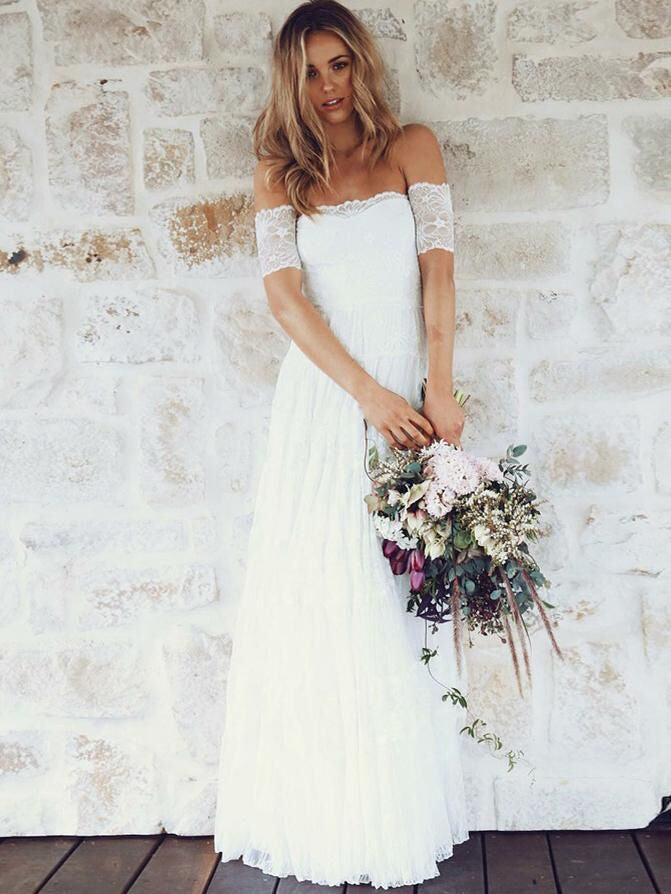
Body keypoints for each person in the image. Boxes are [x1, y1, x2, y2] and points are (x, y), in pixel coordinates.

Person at [214, 0, 469, 887]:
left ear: (360, 64)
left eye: (338, 65)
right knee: (327, 591)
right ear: (290, 81)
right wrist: (367, 395)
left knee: (398, 600)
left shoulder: (414, 150)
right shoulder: (277, 176)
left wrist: (437, 387)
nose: (326, 87)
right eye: (309, 71)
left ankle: (393, 804)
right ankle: (324, 814)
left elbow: (438, 274)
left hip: (407, 392)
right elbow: (286, 302)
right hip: (329, 403)